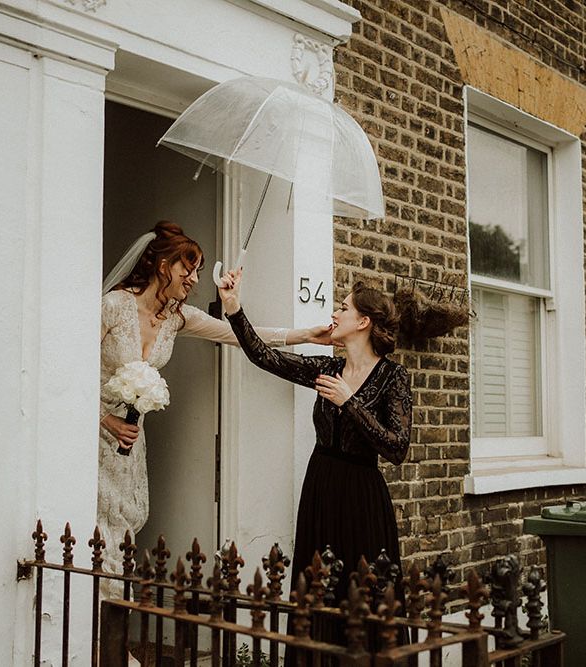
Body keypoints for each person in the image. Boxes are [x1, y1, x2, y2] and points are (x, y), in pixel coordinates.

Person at [98, 221, 332, 593]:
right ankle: (91, 635)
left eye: (197, 272)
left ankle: (110, 635)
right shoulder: (113, 306)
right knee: (94, 533)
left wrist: (305, 334)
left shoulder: (178, 318)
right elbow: (71, 367)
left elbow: (237, 336)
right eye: (186, 269)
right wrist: (103, 418)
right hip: (93, 432)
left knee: (123, 527)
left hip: (128, 441)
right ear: (163, 266)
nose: (193, 279)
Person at [218, 268, 412, 609]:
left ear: (364, 322)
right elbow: (265, 356)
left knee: (362, 586)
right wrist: (234, 307)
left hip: (361, 495)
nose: (335, 313)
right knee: (320, 587)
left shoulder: (392, 376)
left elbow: (397, 448)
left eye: (343, 308)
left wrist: (349, 402)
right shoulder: (328, 369)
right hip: (321, 486)